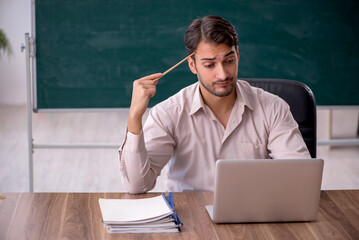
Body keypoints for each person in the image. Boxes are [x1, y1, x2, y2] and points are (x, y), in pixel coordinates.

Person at [119, 16, 310, 194]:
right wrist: (134, 117)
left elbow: (301, 179)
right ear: (192, 66)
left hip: (254, 218)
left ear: (238, 55)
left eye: (229, 61)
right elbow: (137, 186)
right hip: (191, 221)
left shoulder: (273, 107)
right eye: (210, 65)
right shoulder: (168, 113)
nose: (223, 74)